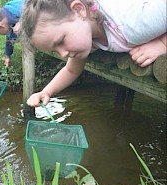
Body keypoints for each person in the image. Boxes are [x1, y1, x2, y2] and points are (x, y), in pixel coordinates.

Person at [20, 0, 167, 107]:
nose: (63, 54)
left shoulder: (134, 25)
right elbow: (71, 70)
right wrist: (47, 92)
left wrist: (162, 44)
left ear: (79, 10)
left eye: (60, 41)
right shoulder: (87, 33)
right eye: (54, 50)